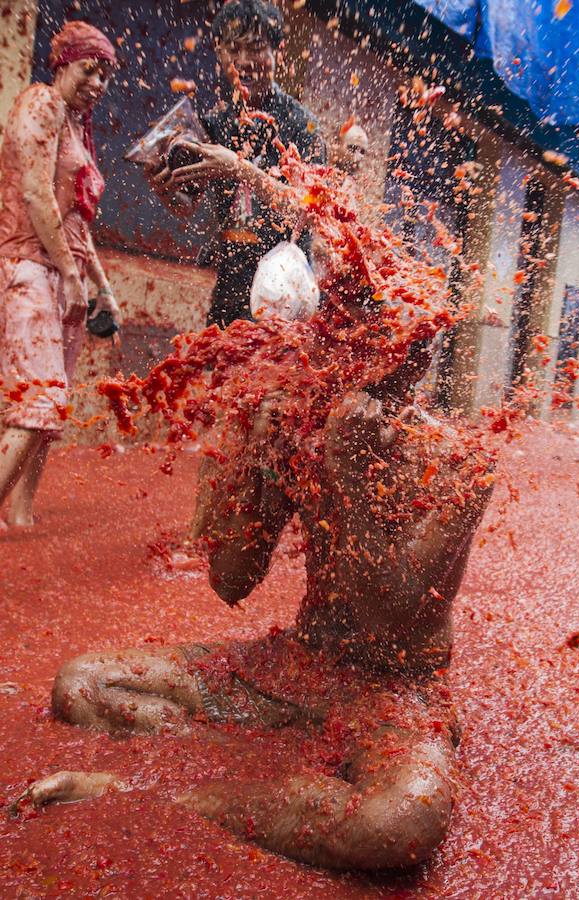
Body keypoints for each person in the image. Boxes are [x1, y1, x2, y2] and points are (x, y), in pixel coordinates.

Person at [25, 291, 493, 871]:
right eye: (339, 329)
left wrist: (350, 472)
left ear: (415, 357)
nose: (349, 351)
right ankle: (237, 759)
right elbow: (231, 581)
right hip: (297, 665)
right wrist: (245, 448)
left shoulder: (459, 460)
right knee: (83, 683)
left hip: (393, 690)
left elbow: (391, 619)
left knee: (396, 826)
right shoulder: (303, 431)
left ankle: (174, 793)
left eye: (373, 336)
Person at [0, 21, 121, 528]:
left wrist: (103, 288)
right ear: (63, 64)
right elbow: (35, 193)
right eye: (88, 70)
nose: (97, 82)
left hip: (63, 271)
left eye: (105, 75)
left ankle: (23, 513)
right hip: (30, 265)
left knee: (50, 411)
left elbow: (75, 220)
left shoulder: (76, 124)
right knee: (38, 399)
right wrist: (72, 277)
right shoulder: (43, 103)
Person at [148, 0, 326, 328]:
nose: (243, 62)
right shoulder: (213, 123)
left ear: (279, 52)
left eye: (255, 48)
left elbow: (307, 210)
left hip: (286, 295)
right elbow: (188, 205)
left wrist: (239, 168)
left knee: (277, 379)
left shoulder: (303, 125)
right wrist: (166, 190)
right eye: (232, 49)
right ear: (220, 54)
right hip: (229, 291)